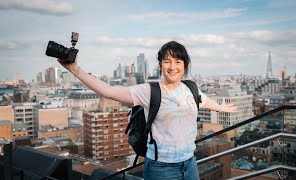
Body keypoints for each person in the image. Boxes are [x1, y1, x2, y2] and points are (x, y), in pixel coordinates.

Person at [59, 41, 237, 180]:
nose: (172, 66)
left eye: (178, 61)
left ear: (185, 65)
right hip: (161, 168)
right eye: (167, 61)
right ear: (160, 65)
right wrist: (74, 68)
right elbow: (109, 92)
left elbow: (204, 101)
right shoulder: (150, 91)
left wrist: (221, 107)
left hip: (190, 163)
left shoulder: (191, 88)